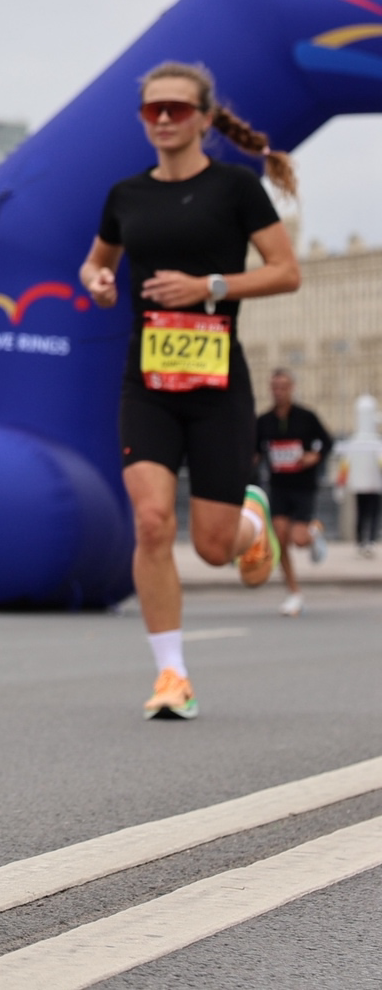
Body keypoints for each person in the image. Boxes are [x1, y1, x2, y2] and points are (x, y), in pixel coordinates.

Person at [79, 60, 299, 722]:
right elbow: (97, 260)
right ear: (144, 120)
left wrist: (211, 287)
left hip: (216, 381)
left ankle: (251, 520)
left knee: (211, 545)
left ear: (205, 118)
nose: (166, 119)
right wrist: (97, 280)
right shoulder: (125, 195)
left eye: (178, 108)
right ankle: (171, 673)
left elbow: (287, 273)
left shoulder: (235, 189)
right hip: (147, 380)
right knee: (150, 522)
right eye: (154, 110)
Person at [256, 368, 330, 617]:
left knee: (298, 540)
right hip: (278, 487)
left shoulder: (306, 417)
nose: (279, 392)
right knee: (279, 540)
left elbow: (327, 442)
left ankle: (316, 530)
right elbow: (254, 451)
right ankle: (294, 592)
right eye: (275, 387)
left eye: (284, 387)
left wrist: (314, 456)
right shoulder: (264, 421)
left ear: (292, 388)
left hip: (303, 487)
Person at [340, 395, 382, 559]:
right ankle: (364, 540)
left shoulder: (358, 441)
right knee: (368, 513)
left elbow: (345, 465)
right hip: (369, 484)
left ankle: (365, 540)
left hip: (370, 484)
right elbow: (345, 466)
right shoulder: (371, 441)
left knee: (365, 512)